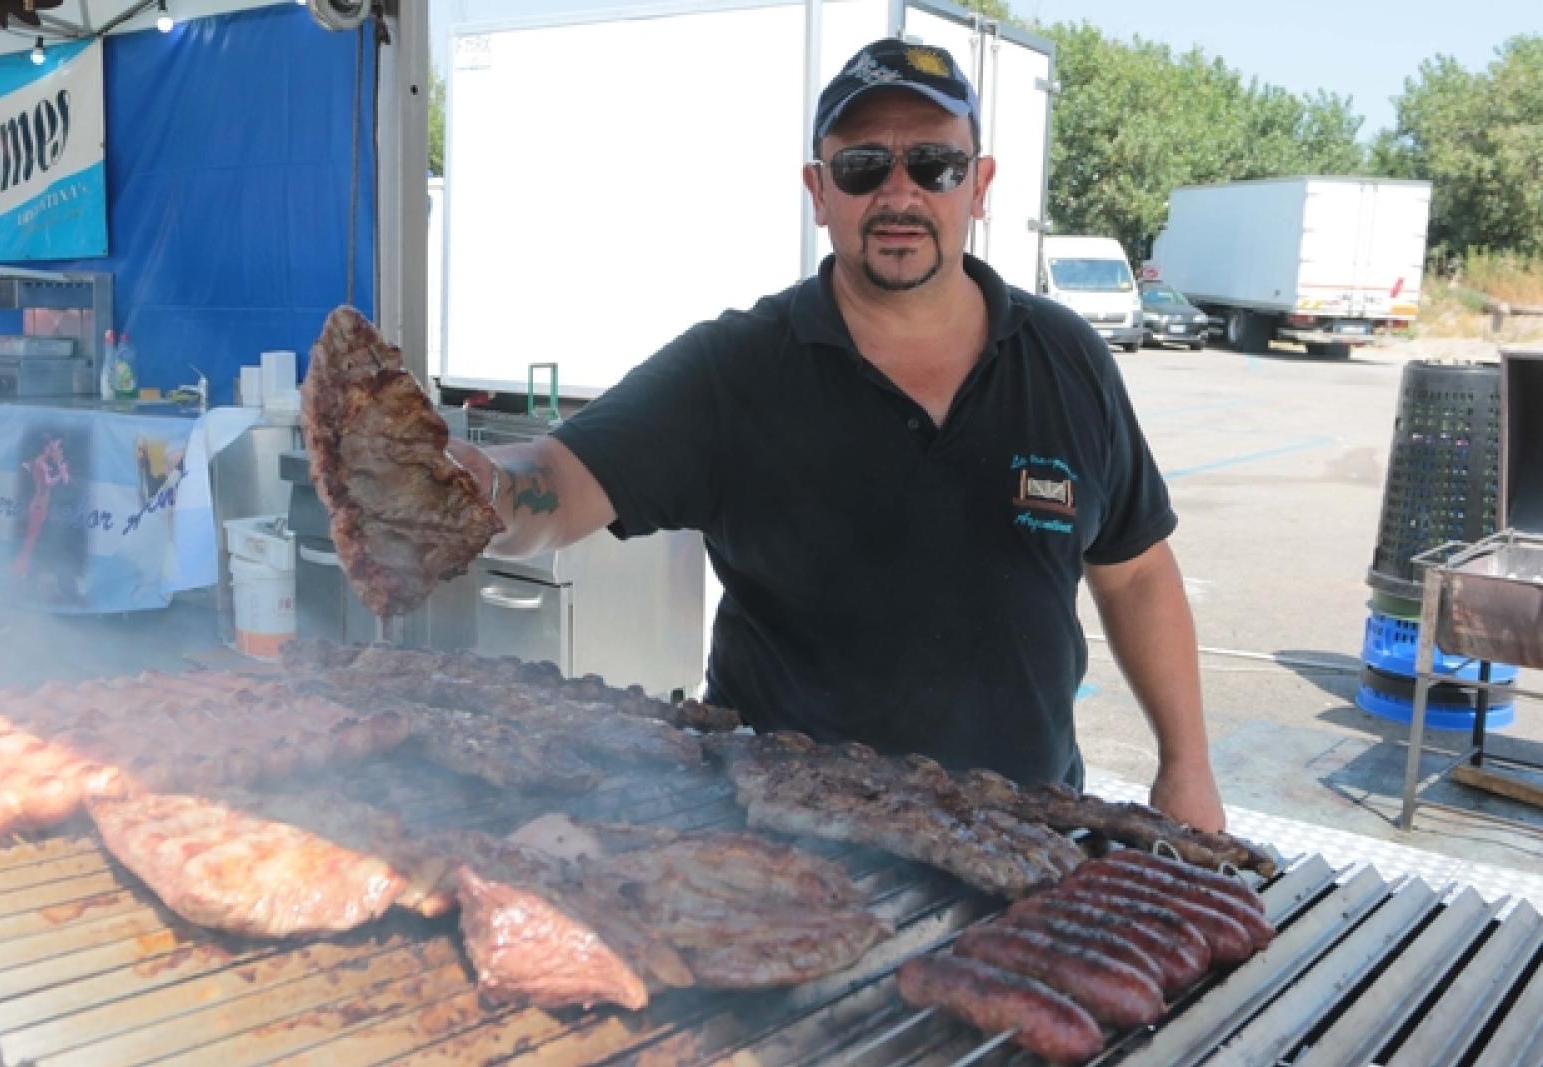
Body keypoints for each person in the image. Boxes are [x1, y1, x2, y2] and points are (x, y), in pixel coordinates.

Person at [449, 38, 1227, 831]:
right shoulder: (738, 367)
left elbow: (1134, 575)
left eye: (935, 165)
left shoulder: (1068, 361)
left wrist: (1187, 765)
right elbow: (561, 480)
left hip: (1021, 847)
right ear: (819, 191)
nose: (900, 194)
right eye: (862, 166)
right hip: (783, 851)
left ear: (980, 184)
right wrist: (480, 489)